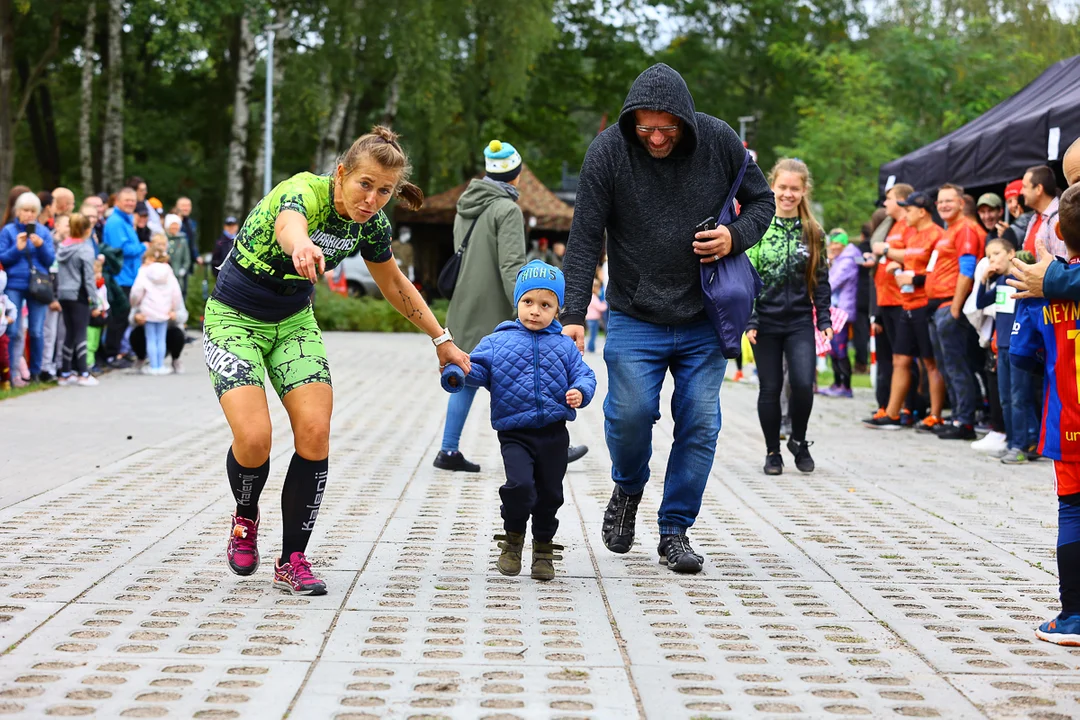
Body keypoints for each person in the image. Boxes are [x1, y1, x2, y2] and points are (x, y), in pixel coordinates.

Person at [204, 125, 470, 596]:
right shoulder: (302, 191)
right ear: (342, 173)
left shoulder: (374, 225)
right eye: (364, 184)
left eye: (384, 191)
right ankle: (246, 515)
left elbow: (394, 285)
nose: (372, 199)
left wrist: (441, 339)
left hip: (293, 324)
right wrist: (301, 245)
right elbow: (290, 224)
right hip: (234, 318)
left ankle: (292, 560)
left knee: (315, 431)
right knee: (255, 438)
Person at [560, 63, 775, 573]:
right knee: (629, 415)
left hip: (705, 314)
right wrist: (572, 313)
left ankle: (675, 529)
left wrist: (735, 237)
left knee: (700, 423)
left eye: (667, 128)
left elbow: (762, 202)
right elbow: (586, 234)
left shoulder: (720, 140)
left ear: (685, 121)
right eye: (645, 128)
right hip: (636, 311)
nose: (655, 137)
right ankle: (628, 488)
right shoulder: (610, 150)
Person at [455, 260, 597, 580]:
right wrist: (458, 370)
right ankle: (513, 539)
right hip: (515, 432)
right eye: (528, 302)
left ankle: (543, 549)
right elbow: (475, 370)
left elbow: (584, 376)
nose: (535, 311)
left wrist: (579, 391)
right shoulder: (496, 342)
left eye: (545, 305)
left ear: (557, 310)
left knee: (550, 495)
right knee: (520, 486)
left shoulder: (564, 345)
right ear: (517, 302)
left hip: (554, 434)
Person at [1009, 184, 1080, 645]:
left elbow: (1021, 355)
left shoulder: (1043, 286)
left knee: (1072, 509)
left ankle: (1073, 616)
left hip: (1069, 419)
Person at [435, 140, 529, 473]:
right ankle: (539, 447)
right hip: (494, 309)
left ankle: (448, 450)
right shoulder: (506, 209)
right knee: (521, 376)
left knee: (466, 374)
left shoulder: (467, 205)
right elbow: (512, 265)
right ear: (515, 175)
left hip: (464, 304)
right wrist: (527, 307)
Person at [746, 158, 831, 473]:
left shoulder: (812, 231)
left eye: (795, 189)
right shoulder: (758, 226)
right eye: (782, 187)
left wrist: (823, 320)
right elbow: (745, 277)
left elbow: (821, 279)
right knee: (770, 387)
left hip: (798, 321)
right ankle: (772, 452)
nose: (788, 194)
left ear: (804, 190)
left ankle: (799, 438)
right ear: (772, 187)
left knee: (802, 383)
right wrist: (749, 319)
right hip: (764, 320)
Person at [865, 191, 948, 430]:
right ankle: (892, 413)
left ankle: (935, 415)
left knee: (929, 362)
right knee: (899, 359)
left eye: (909, 209)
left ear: (922, 212)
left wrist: (914, 278)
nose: (905, 214)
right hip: (907, 305)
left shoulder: (937, 235)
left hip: (924, 305)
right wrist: (896, 267)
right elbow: (909, 260)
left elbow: (936, 273)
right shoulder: (912, 235)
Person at [927, 184, 986, 440]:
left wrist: (954, 308)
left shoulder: (965, 229)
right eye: (940, 201)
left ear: (962, 203)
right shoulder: (951, 230)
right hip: (941, 306)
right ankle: (957, 418)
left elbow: (967, 269)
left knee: (956, 365)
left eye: (949, 201)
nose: (943, 206)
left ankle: (965, 422)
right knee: (947, 366)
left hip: (951, 306)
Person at [976, 236, 1037, 462]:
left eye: (996, 254)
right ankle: (1012, 441)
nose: (991, 259)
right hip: (1001, 347)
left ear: (1011, 253)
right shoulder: (1001, 282)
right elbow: (981, 303)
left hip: (1018, 347)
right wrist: (984, 280)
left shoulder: (1019, 280)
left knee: (1019, 397)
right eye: (989, 255)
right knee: (1005, 398)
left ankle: (1022, 445)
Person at [0, 191, 56, 383]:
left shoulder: (43, 232)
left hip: (38, 285)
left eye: (33, 211)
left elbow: (50, 261)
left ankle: (36, 372)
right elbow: (3, 259)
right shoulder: (8, 231)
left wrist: (40, 246)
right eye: (25, 211)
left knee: (36, 331)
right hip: (14, 284)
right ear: (18, 211)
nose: (29, 215)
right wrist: (17, 248)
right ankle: (12, 372)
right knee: (14, 330)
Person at [55, 212, 101, 386]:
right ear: (86, 230)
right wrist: (95, 299)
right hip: (78, 293)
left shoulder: (62, 247)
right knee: (81, 331)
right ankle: (83, 372)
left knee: (70, 332)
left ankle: (65, 372)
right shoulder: (85, 249)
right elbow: (89, 278)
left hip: (63, 293)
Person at [101, 187, 145, 367]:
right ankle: (111, 355)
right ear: (117, 201)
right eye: (126, 200)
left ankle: (119, 351)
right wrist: (143, 247)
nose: (130, 203)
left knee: (123, 317)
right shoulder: (115, 222)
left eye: (133, 200)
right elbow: (122, 250)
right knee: (117, 318)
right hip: (120, 277)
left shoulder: (126, 221)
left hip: (130, 276)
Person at [130, 243, 183, 374]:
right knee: (161, 338)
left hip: (148, 310)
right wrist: (173, 308)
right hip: (164, 310)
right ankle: (161, 366)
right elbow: (176, 293)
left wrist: (135, 304)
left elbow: (136, 292)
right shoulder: (169, 272)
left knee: (151, 339)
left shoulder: (143, 271)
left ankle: (153, 366)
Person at [821, 228, 860, 398]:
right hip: (835, 309)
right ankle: (837, 384)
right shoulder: (839, 259)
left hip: (843, 311)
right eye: (832, 243)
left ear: (844, 244)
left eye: (838, 243)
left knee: (840, 348)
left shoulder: (847, 261)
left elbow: (831, 283)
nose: (834, 246)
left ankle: (845, 386)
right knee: (833, 349)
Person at [1021, 165, 1061, 257]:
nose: (1021, 192)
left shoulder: (1058, 218)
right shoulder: (1034, 218)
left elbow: (1061, 264)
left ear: (1039, 189)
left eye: (1024, 187)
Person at [163, 214, 192, 292]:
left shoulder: (183, 240)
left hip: (178, 277)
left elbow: (187, 259)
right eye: (172, 225)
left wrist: (183, 270)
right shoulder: (163, 239)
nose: (175, 227)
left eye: (177, 225)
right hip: (163, 277)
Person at [0, 269, 15, 390]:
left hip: (1, 335)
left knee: (3, 359)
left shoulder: (3, 299)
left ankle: (5, 380)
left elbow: (13, 310)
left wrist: (8, 319)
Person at [585, 277, 607, 352]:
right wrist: (605, 303)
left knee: (592, 334)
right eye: (598, 287)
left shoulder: (590, 296)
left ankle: (591, 347)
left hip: (590, 319)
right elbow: (600, 307)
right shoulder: (593, 297)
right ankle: (590, 348)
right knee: (593, 335)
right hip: (593, 319)